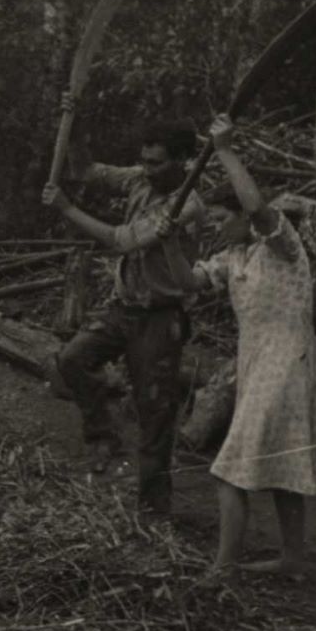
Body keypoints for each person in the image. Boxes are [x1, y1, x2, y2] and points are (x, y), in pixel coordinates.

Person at [164, 114, 316, 582]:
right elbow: (187, 282)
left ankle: (224, 568)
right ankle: (292, 559)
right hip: (260, 367)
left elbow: (258, 210)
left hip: (287, 366)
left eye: (220, 219)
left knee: (228, 472)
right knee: (279, 467)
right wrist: (170, 243)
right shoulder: (231, 258)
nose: (214, 229)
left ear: (238, 215)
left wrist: (225, 150)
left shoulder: (282, 245)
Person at [43, 123, 207, 515]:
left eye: (157, 162)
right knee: (71, 360)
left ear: (182, 161)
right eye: (144, 161)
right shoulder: (138, 178)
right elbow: (86, 171)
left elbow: (124, 240)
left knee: (154, 410)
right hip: (123, 306)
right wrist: (73, 121)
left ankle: (153, 505)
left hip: (159, 317)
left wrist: (67, 208)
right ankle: (104, 435)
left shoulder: (188, 204)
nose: (148, 169)